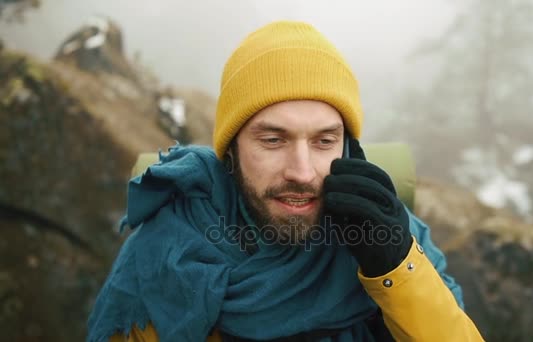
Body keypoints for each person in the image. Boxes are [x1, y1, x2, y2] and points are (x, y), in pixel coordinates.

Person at [87, 21, 484, 342]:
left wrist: (396, 271)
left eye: (324, 141)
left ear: (346, 148)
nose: (302, 171)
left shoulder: (396, 239)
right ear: (231, 150)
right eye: (273, 140)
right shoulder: (166, 254)